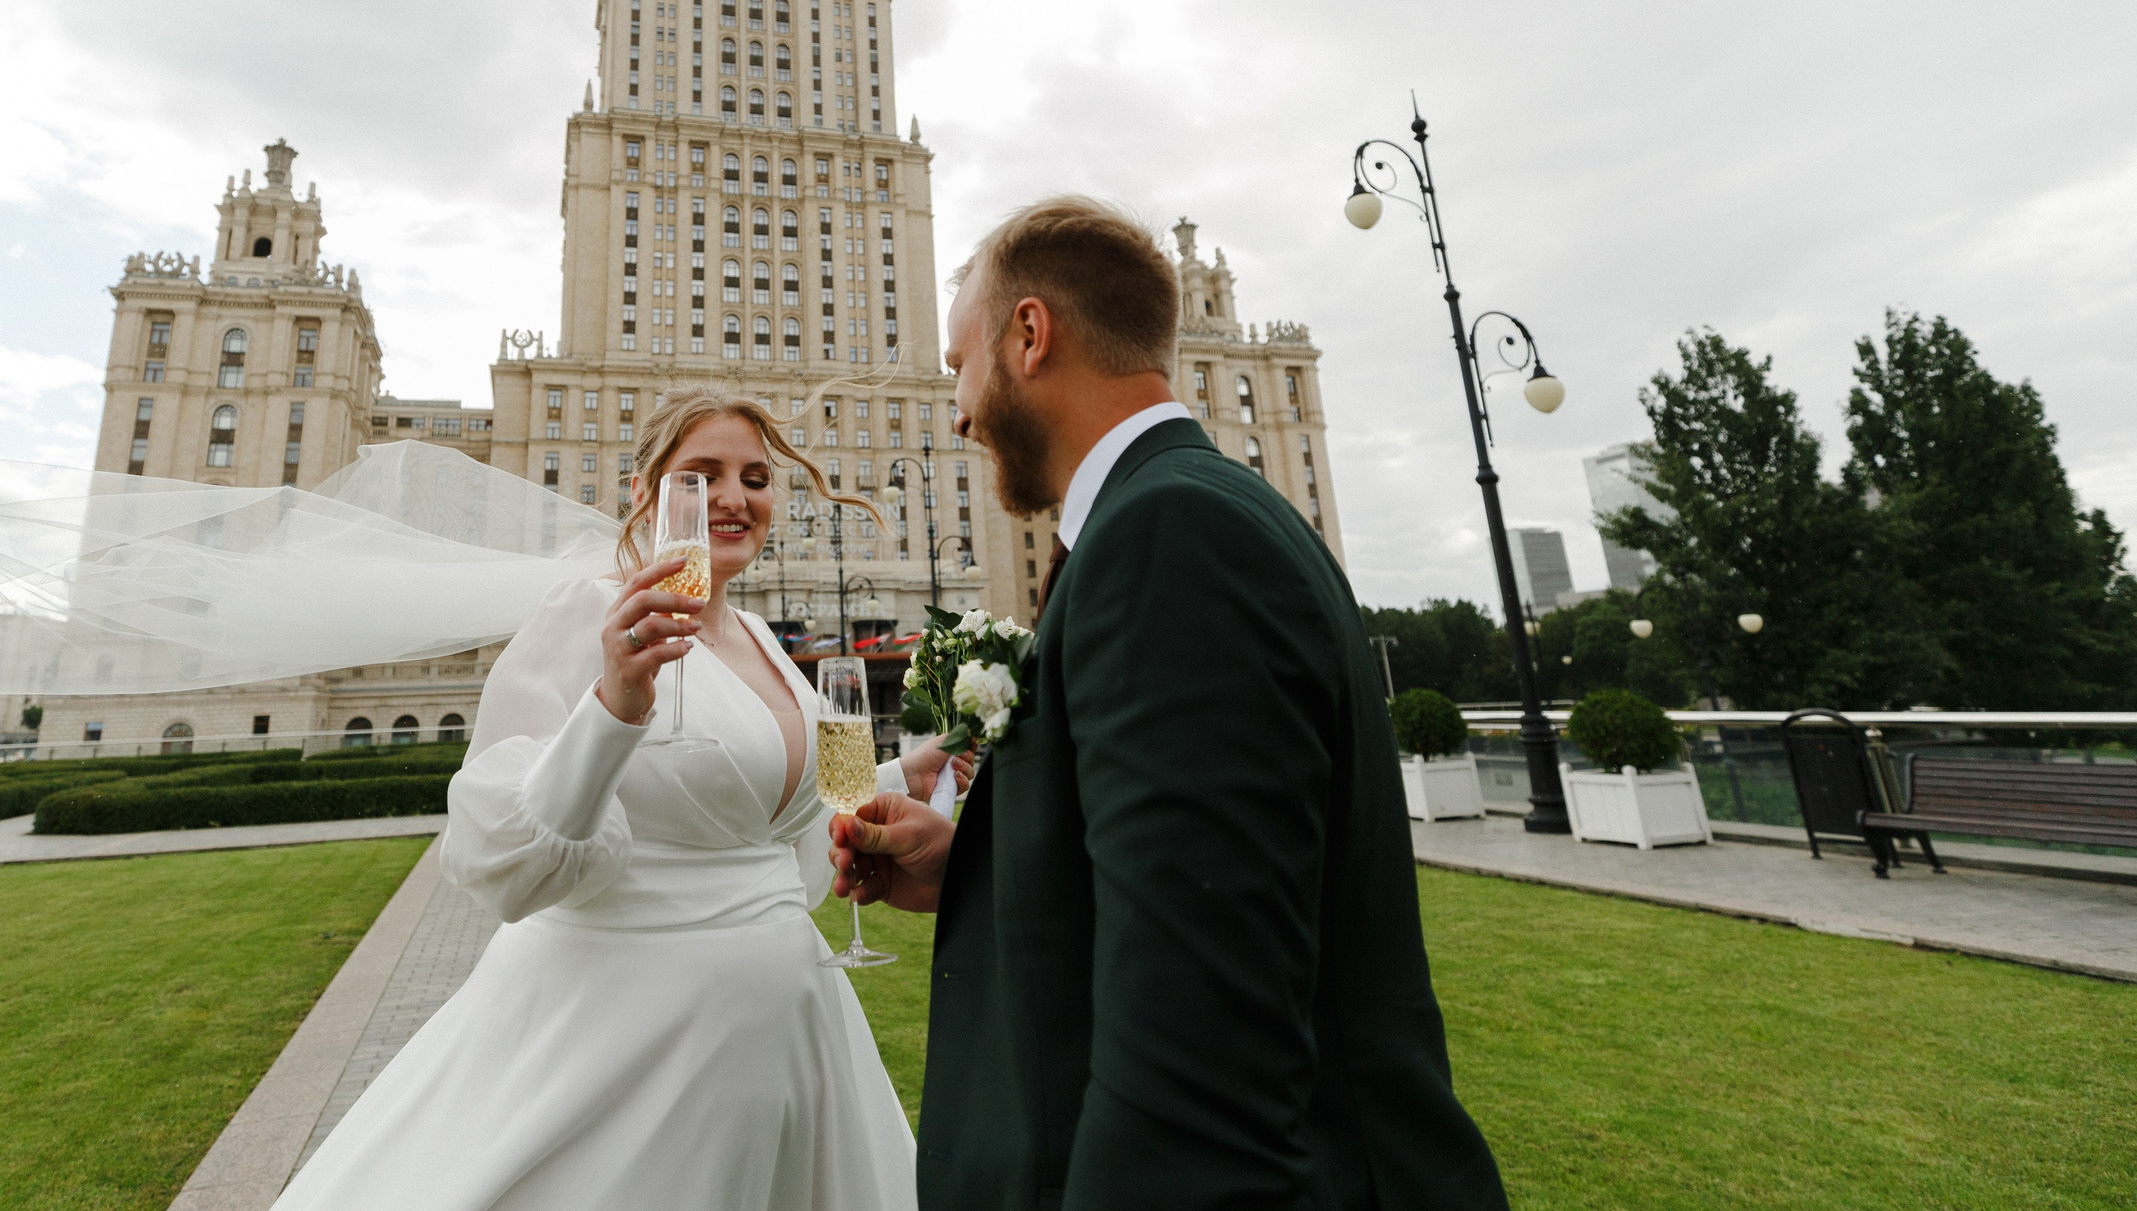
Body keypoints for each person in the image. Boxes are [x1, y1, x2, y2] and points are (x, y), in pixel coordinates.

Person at [832, 197, 1508, 1211]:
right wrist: (973, 866)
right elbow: (1174, 871)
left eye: (959, 366)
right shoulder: (1179, 513)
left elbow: (1198, 1046)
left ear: (1029, 335)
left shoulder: (1171, 537)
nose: (958, 411)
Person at [274, 386, 960, 1211]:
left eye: (755, 478)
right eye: (701, 475)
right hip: (631, 1041)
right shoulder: (589, 612)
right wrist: (614, 707)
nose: (734, 497)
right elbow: (503, 856)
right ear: (645, 491)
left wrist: (907, 772)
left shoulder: (764, 642)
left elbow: (786, 811)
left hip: (792, 1033)